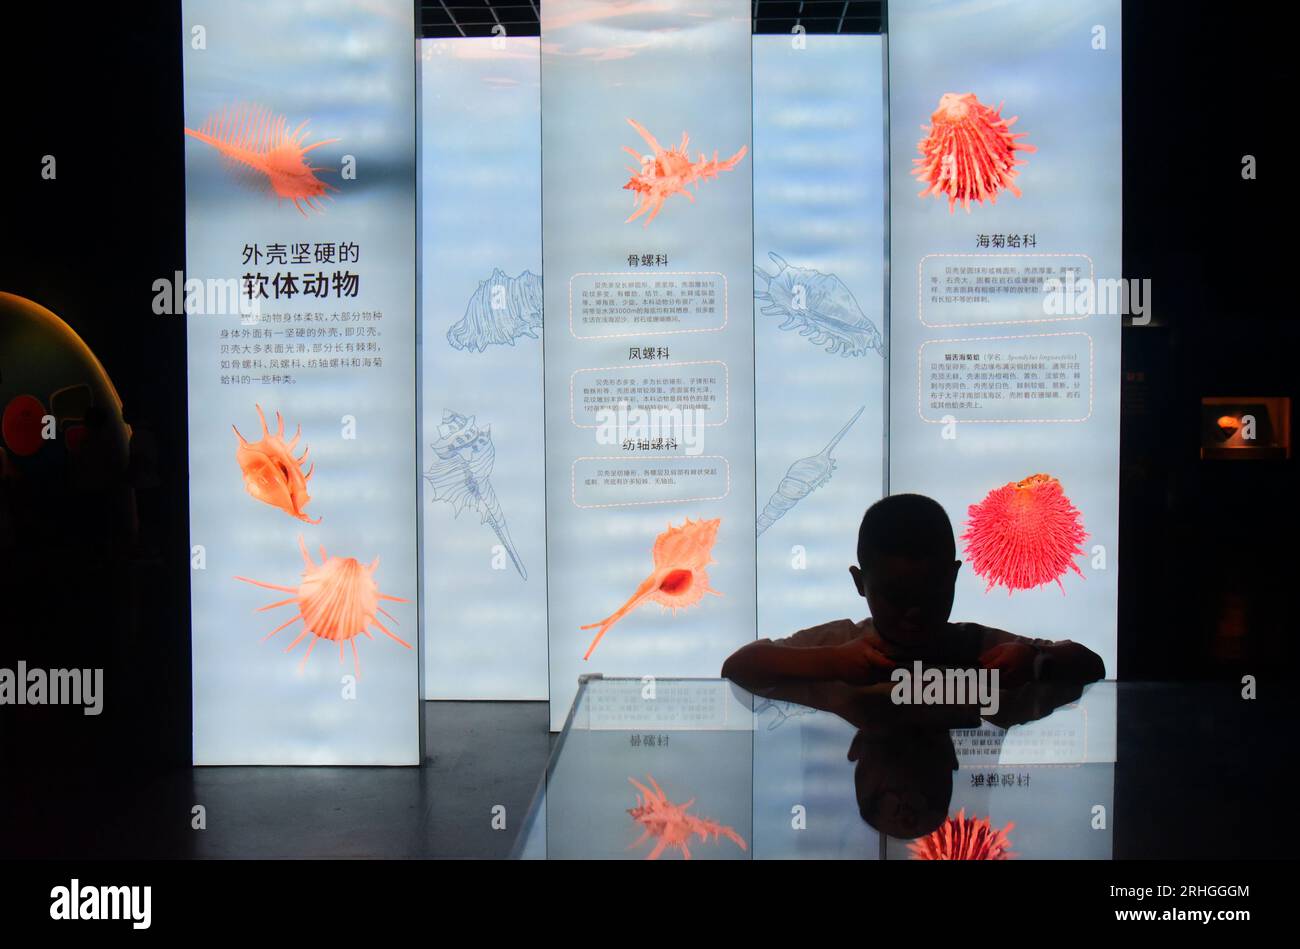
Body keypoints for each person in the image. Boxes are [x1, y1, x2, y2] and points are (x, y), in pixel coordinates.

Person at [722, 493, 1105, 691]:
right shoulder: (839, 647)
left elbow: (1090, 665)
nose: (914, 612)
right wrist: (830, 662)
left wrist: (1036, 661)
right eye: (896, 595)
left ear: (953, 578)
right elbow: (738, 666)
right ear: (860, 584)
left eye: (929, 592)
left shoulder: (985, 649)